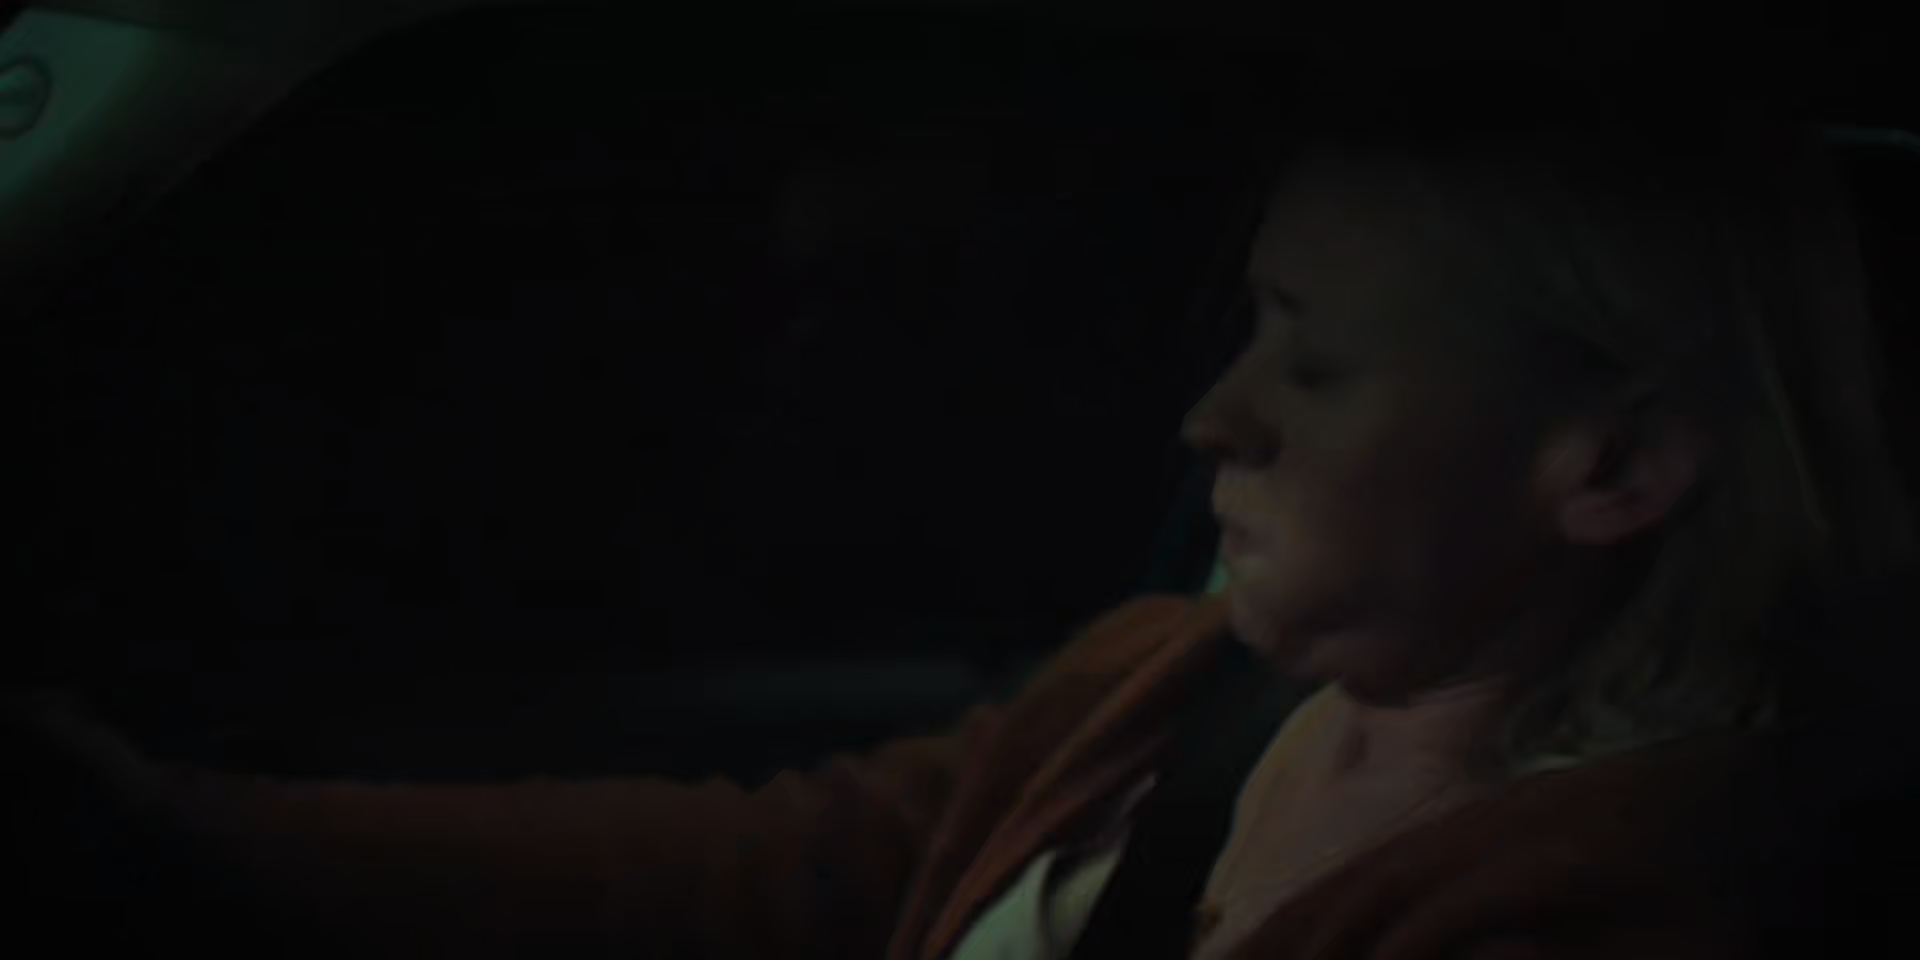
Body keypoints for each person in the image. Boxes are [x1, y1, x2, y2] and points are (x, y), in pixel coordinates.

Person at [8, 68, 1919, 959]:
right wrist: (182, 832)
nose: (1216, 414)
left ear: (1612, 470)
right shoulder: (1189, 688)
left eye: (1316, 364)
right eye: (1248, 326)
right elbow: (809, 867)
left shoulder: (1630, 907)